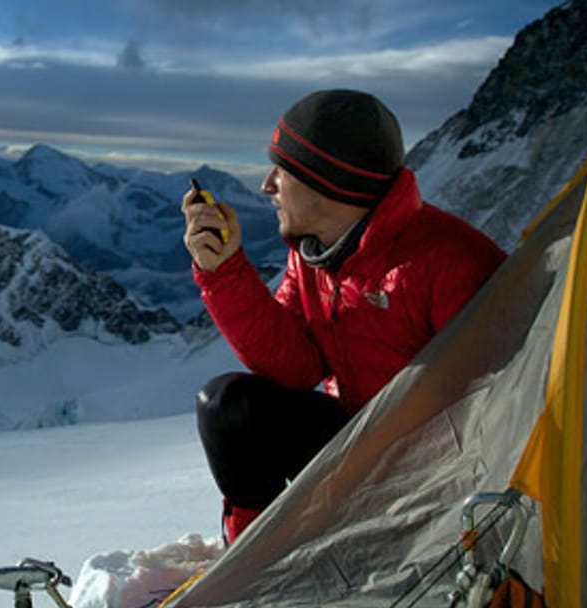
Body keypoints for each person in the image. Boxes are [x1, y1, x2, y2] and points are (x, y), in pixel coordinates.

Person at [181, 89, 506, 545]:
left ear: (328, 182)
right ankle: (253, 561)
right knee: (227, 406)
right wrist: (224, 271)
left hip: (434, 473)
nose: (266, 185)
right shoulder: (314, 255)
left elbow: (496, 411)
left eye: (283, 171)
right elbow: (296, 368)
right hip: (359, 443)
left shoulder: (452, 262)